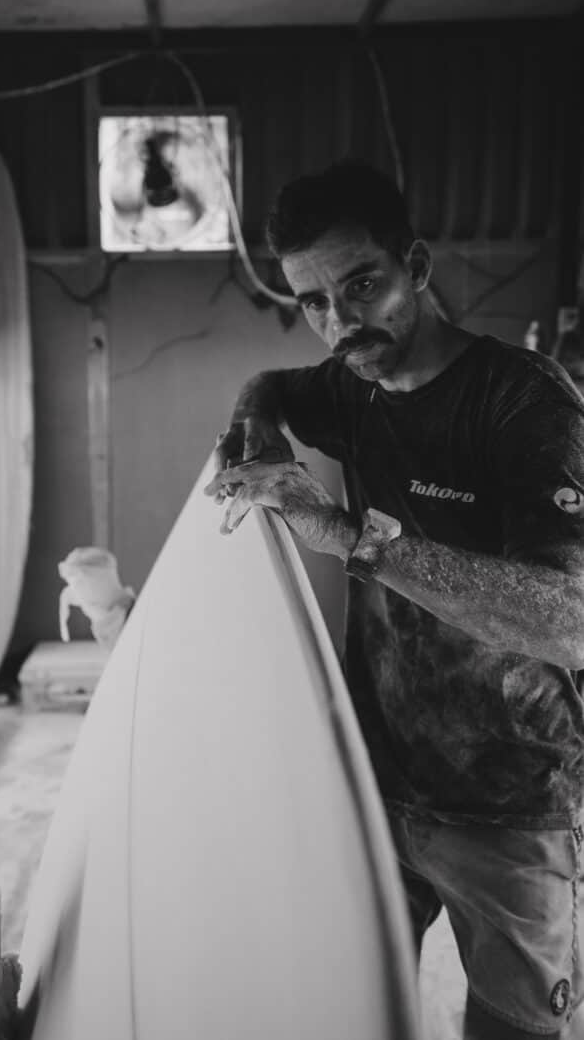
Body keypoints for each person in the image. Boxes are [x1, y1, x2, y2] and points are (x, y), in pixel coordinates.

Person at [205, 160, 584, 1040]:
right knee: (353, 1007)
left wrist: (345, 534)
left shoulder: (525, 405)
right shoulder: (350, 388)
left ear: (414, 265)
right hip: (375, 780)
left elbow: (571, 619)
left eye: (361, 284)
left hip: (512, 800)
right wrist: (257, 419)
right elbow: (274, 384)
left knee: (512, 1030)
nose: (339, 323)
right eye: (312, 301)